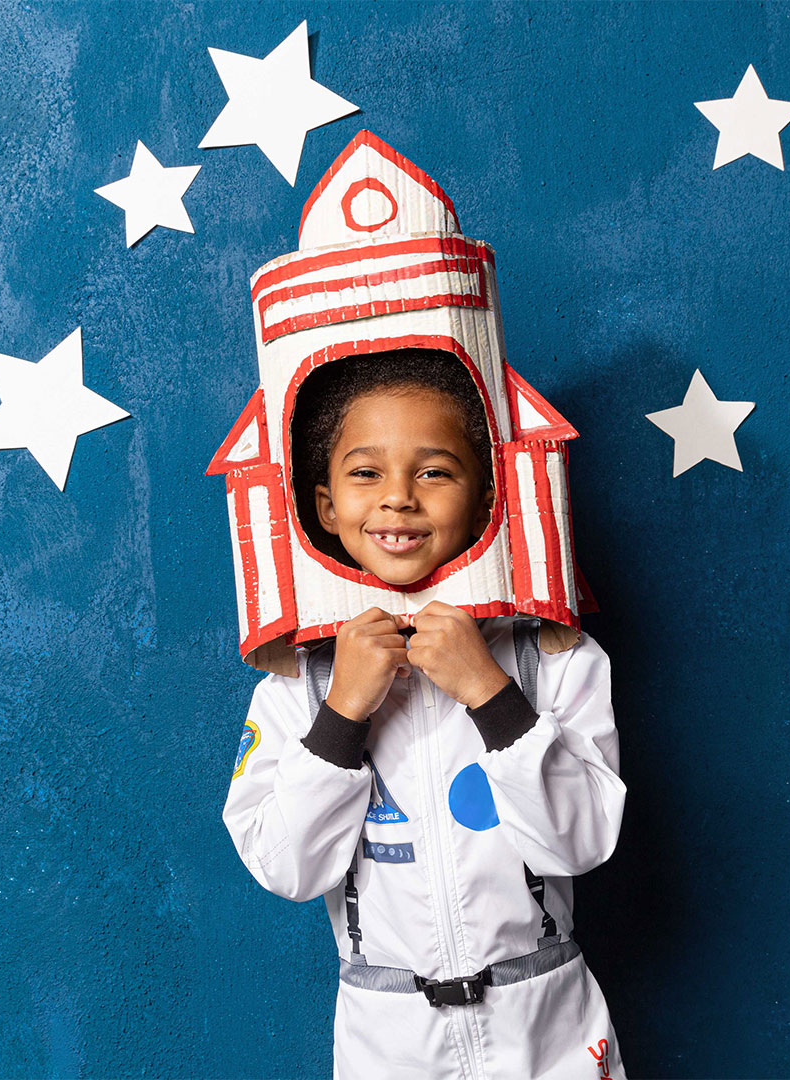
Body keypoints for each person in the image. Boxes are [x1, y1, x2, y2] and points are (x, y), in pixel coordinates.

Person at [223, 348, 628, 1079]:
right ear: (324, 506)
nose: (398, 498)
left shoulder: (556, 657)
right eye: (366, 472)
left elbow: (582, 844)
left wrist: (492, 695)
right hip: (391, 1041)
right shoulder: (301, 682)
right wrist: (344, 711)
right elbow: (286, 867)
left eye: (434, 471)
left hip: (544, 1029)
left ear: (485, 497)